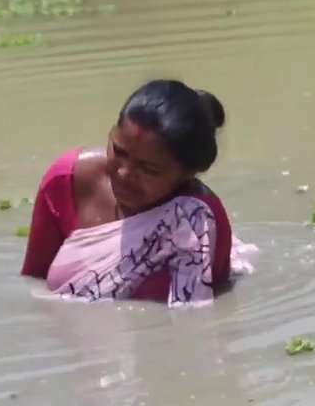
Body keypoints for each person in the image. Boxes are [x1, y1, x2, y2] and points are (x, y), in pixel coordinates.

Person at [20, 79, 256, 306]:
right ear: (112, 132)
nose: (124, 173)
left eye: (148, 169)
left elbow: (193, 320)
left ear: (187, 174)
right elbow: (34, 282)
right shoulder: (67, 181)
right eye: (119, 151)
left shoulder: (195, 222)